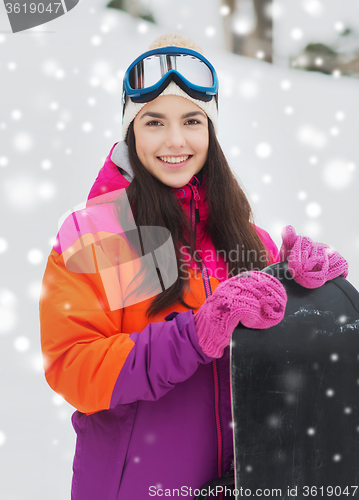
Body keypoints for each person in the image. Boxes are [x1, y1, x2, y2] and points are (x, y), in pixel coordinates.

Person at [39, 34, 348, 500]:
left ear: (211, 131)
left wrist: (304, 291)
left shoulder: (245, 240)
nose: (175, 140)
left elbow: (277, 366)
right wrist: (193, 336)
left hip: (241, 484)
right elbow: (75, 367)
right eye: (154, 122)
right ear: (131, 131)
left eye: (191, 120)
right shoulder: (100, 236)